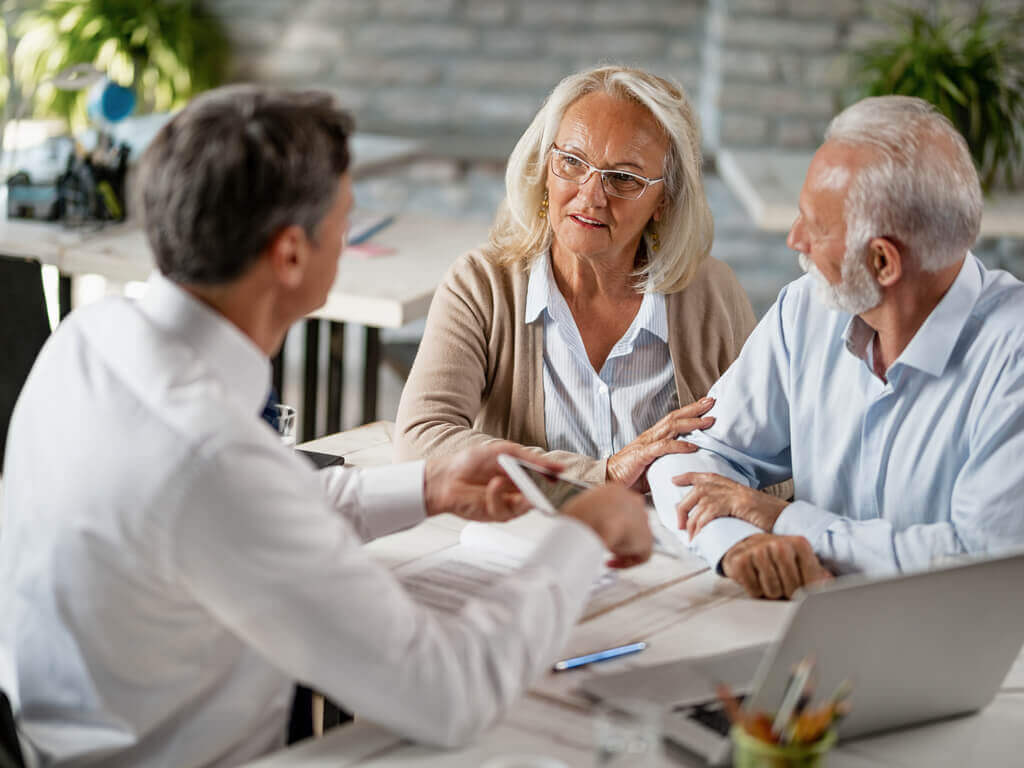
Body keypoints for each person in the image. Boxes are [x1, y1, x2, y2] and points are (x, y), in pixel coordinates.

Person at [0, 86, 655, 767]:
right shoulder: (213, 455)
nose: (349, 235)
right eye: (345, 218)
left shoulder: (88, 339)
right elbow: (448, 694)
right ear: (289, 255)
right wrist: (582, 535)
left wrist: (427, 486)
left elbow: (246, 513)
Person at [647, 95, 1024, 599]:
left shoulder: (1013, 354)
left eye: (815, 226)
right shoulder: (805, 309)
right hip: (813, 630)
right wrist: (736, 544)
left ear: (883, 263)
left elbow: (983, 561)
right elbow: (690, 453)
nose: (794, 239)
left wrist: (787, 521)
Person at [395, 66, 759, 490]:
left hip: (672, 548)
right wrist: (602, 475)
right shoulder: (481, 286)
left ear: (666, 199)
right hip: (530, 541)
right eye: (571, 162)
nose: (591, 196)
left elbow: (771, 460)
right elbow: (419, 441)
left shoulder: (713, 294)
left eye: (624, 178)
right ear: (544, 167)